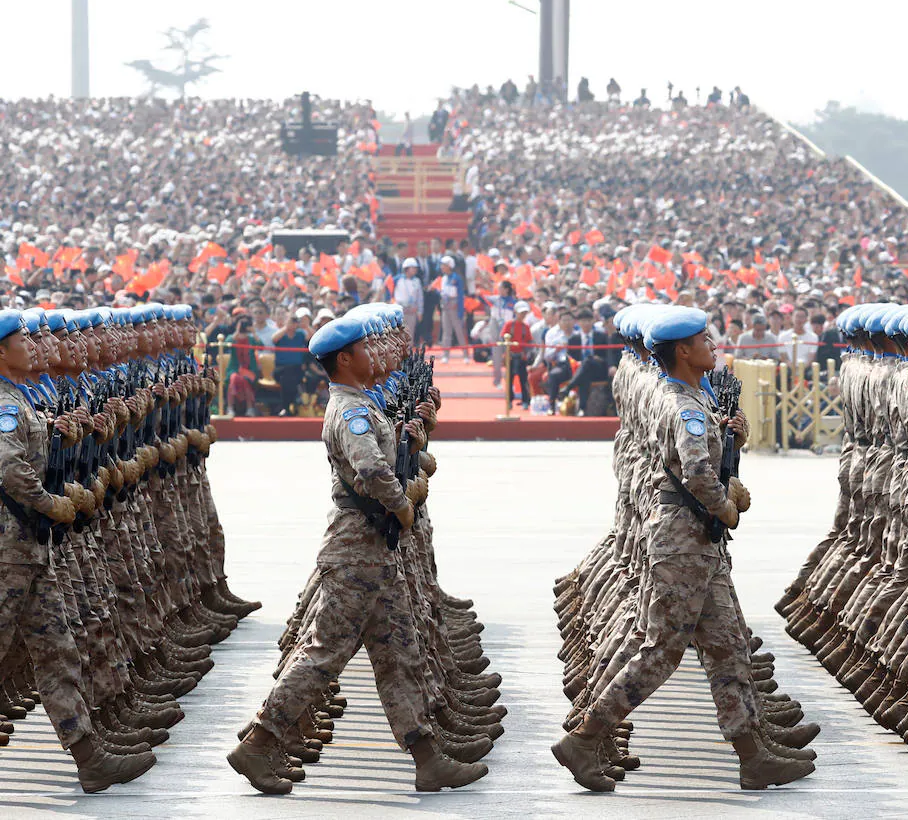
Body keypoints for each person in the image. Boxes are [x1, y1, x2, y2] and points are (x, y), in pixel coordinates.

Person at [551, 307, 814, 792]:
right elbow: (695, 472)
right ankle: (585, 739)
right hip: (682, 540)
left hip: (692, 540)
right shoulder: (686, 409)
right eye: (703, 339)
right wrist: (726, 505)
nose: (713, 344)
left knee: (728, 646)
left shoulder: (690, 400)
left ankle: (753, 756)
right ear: (682, 351)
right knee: (661, 650)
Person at [226, 315, 488, 794]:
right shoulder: (350, 411)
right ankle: (259, 743)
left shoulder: (363, 404)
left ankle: (427, 758)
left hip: (375, 550)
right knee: (323, 653)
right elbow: (370, 468)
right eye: (366, 348)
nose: (376, 354)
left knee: (400, 652)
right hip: (355, 548)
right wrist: (403, 502)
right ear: (344, 359)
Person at [0, 309, 158, 792]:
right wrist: (50, 503)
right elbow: (7, 465)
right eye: (21, 339)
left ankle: (89, 757)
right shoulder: (3, 404)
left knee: (56, 651)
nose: (32, 345)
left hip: (30, 549)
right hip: (9, 549)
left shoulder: (20, 401)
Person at [272, 310, 313, 414]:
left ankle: (285, 407)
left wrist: (306, 326)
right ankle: (292, 403)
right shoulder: (281, 333)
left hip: (296, 369)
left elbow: (314, 337)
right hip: (280, 369)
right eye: (292, 321)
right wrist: (287, 327)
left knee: (289, 377)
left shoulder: (300, 334)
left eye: (295, 321)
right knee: (288, 375)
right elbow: (274, 339)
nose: (293, 323)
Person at [500, 301, 534, 409]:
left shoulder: (526, 327)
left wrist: (526, 352)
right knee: (509, 380)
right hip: (510, 355)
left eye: (525, 313)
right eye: (521, 313)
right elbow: (503, 339)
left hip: (521, 356)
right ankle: (509, 400)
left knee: (523, 380)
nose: (523, 315)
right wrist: (505, 353)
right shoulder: (509, 325)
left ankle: (525, 400)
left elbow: (529, 342)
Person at [437, 255, 466, 362]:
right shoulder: (443, 279)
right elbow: (442, 292)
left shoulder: (457, 278)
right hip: (445, 307)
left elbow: (460, 295)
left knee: (459, 331)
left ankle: (465, 354)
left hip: (454, 306)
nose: (441, 267)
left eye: (444, 265)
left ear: (449, 266)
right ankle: (445, 354)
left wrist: (460, 311)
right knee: (446, 332)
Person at [394, 258, 423, 342]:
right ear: (406, 268)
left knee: (410, 334)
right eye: (413, 268)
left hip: (411, 310)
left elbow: (420, 298)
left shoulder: (417, 281)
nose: (415, 270)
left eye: (416, 268)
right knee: (398, 334)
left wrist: (420, 311)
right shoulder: (397, 279)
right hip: (400, 311)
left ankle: (409, 353)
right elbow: (387, 288)